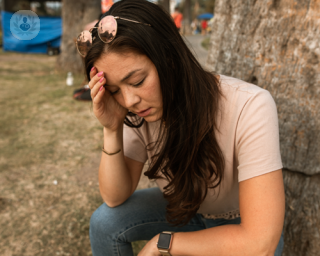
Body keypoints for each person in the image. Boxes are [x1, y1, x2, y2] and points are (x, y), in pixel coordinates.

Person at [76, 0, 285, 255]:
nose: (129, 100)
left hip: (241, 224)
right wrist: (112, 128)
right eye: (115, 90)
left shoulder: (250, 106)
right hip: (186, 211)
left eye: (138, 81)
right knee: (105, 222)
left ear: (169, 57)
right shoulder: (136, 111)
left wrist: (163, 243)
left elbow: (259, 243)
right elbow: (114, 197)